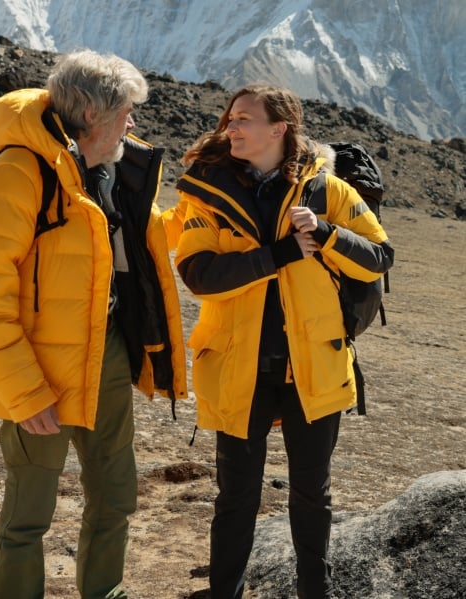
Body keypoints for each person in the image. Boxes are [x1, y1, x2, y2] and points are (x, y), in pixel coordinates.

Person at [0, 49, 188, 599]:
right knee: (29, 513)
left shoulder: (107, 171)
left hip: (106, 355)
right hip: (39, 370)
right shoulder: (17, 173)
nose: (134, 123)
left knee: (115, 494)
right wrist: (25, 392)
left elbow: (141, 243)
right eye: (127, 112)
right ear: (93, 115)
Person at [164, 85, 394, 598]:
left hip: (312, 366)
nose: (232, 129)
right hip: (237, 368)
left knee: (313, 494)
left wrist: (329, 233)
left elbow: (380, 256)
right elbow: (199, 274)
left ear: (279, 129)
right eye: (230, 120)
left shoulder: (327, 190)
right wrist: (281, 254)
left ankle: (316, 591)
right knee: (236, 497)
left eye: (244, 119)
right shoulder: (206, 189)